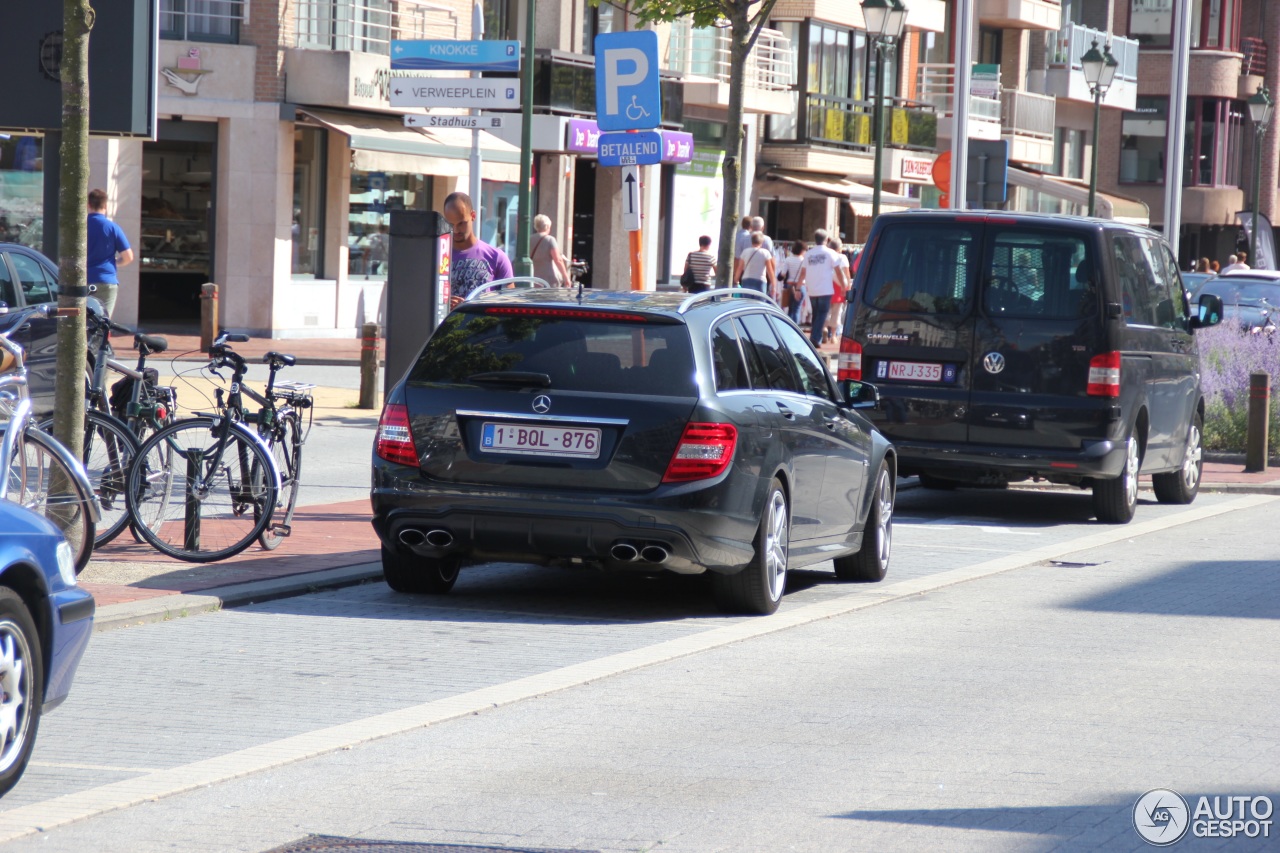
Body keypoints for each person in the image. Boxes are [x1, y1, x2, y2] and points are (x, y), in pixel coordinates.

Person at [444, 191, 512, 306]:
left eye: (461, 223)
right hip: (446, 323)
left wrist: (474, 306)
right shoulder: (437, 257)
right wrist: (443, 304)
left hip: (482, 322)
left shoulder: (496, 257)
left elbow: (510, 303)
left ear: (473, 216)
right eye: (450, 224)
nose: (456, 230)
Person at [86, 188, 134, 318]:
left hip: (83, 280)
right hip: (106, 280)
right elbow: (128, 257)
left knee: (83, 321)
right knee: (103, 322)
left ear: (88, 205)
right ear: (106, 205)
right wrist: (115, 263)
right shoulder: (112, 228)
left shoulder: (80, 227)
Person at [795, 228, 841, 348]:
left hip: (812, 288)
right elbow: (838, 270)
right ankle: (815, 338)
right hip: (825, 288)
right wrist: (843, 285)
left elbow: (803, 273)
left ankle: (817, 338)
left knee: (816, 314)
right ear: (826, 239)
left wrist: (798, 287)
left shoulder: (809, 254)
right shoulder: (831, 253)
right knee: (822, 314)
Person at [531, 214, 571, 287]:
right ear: (547, 226)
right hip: (549, 280)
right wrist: (566, 277)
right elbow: (558, 260)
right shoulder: (550, 240)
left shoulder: (529, 239)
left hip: (534, 279)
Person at [825, 237, 851, 344]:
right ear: (839, 247)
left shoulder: (826, 255)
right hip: (839, 286)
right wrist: (847, 286)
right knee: (837, 312)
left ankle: (825, 329)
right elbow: (846, 273)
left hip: (826, 285)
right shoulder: (842, 257)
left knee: (826, 311)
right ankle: (834, 335)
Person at [778, 241, 806, 323]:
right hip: (801, 286)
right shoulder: (804, 261)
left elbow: (783, 274)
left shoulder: (788, 259)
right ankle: (795, 329)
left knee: (790, 309)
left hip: (789, 286)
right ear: (802, 250)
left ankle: (788, 328)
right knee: (797, 309)